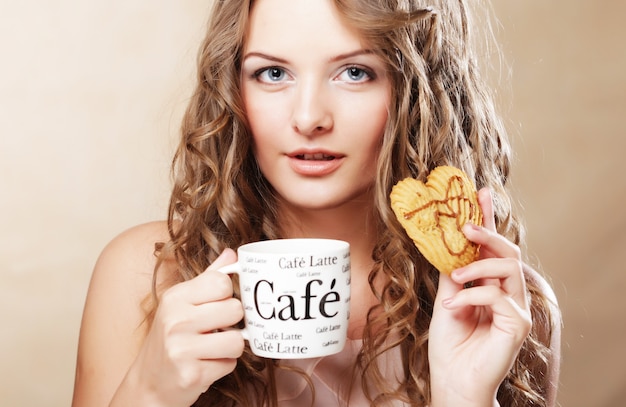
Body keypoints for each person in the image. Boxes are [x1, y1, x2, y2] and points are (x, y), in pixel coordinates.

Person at [71, 0, 561, 406]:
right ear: (232, 89)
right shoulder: (150, 274)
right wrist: (149, 392)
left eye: (354, 72)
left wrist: (465, 398)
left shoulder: (499, 307)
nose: (308, 118)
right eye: (272, 73)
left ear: (418, 88)